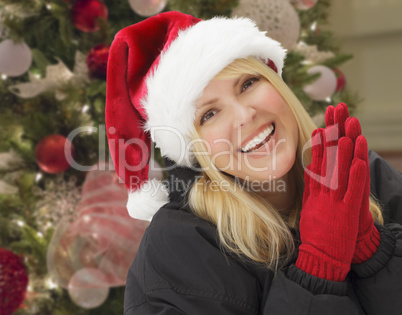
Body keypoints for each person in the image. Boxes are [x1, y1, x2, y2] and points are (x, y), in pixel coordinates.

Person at [105, 11, 402, 314]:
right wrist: (317, 269)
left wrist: (372, 250)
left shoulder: (361, 174)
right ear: (195, 149)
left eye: (248, 83)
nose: (245, 115)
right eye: (209, 114)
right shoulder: (177, 247)